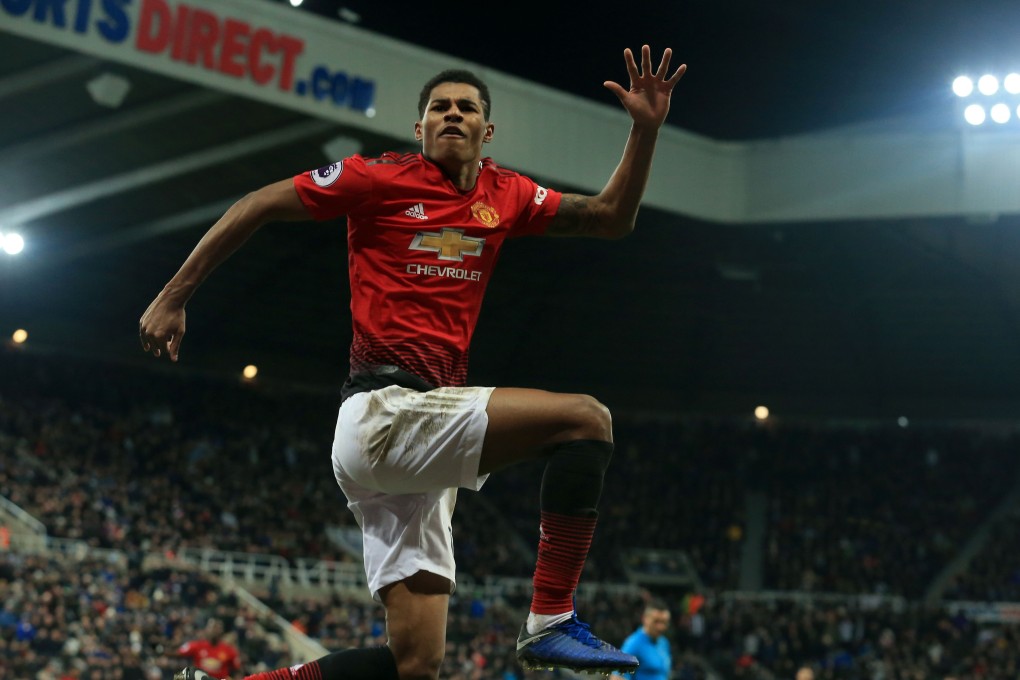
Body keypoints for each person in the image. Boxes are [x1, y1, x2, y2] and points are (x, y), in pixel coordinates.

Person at [140, 44, 686, 680]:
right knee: (586, 421)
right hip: (386, 414)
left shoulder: (505, 193)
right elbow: (258, 203)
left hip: (417, 450)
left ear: (488, 130)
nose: (451, 114)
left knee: (415, 664)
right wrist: (173, 296)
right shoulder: (377, 178)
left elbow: (609, 218)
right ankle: (551, 619)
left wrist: (644, 132)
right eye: (438, 107)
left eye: (466, 108)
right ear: (418, 127)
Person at [611, 600, 672, 680]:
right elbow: (617, 677)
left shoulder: (664, 643)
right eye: (656, 621)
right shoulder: (634, 644)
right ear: (645, 619)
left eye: (664, 622)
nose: (660, 627)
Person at [177, 619, 242, 680]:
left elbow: (238, 669)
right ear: (207, 629)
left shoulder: (229, 650)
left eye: (217, 628)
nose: (214, 631)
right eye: (212, 627)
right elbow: (178, 653)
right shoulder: (197, 645)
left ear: (221, 631)